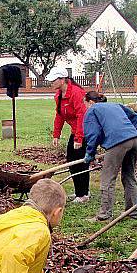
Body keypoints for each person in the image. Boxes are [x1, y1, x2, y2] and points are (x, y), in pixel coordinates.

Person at [82, 91, 137, 221]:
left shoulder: (93, 110)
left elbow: (93, 133)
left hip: (117, 142)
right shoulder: (116, 105)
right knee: (129, 177)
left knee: (108, 178)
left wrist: (90, 153)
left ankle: (104, 215)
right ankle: (133, 212)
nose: (85, 107)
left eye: (85, 104)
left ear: (90, 102)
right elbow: (136, 119)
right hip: (134, 139)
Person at [46, 66, 90, 203]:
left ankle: (83, 194)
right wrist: (56, 134)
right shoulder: (59, 96)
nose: (51, 82)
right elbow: (59, 116)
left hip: (85, 131)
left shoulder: (77, 93)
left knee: (81, 162)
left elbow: (81, 116)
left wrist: (79, 138)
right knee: (71, 160)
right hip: (75, 131)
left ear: (62, 80)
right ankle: (79, 191)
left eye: (54, 80)